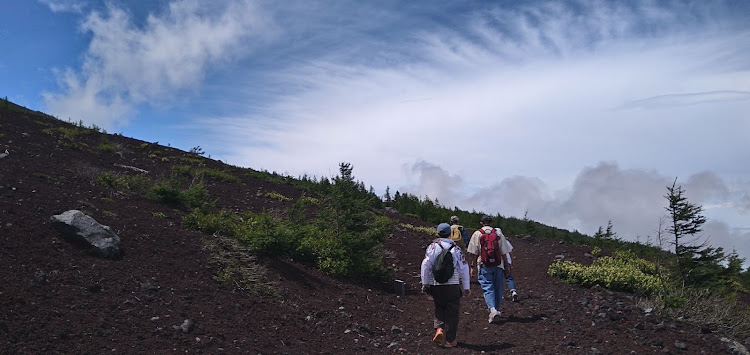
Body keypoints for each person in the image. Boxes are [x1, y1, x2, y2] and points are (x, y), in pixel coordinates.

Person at [421, 223, 471, 348]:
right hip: (452, 284)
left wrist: (425, 283)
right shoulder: (456, 248)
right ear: (450, 233)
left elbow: (425, 265)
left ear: (438, 233)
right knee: (452, 312)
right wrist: (466, 287)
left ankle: (439, 329)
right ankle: (450, 340)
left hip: (436, 284)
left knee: (439, 307)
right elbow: (464, 268)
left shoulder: (432, 247)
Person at [466, 215, 512, 323]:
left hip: (484, 264)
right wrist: (507, 265)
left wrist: (472, 267)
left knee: (488, 287)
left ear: (481, 223)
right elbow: (504, 251)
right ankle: (495, 309)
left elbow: (474, 253)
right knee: (498, 288)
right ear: (491, 223)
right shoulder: (498, 233)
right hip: (498, 264)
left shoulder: (477, 233)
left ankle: (492, 310)